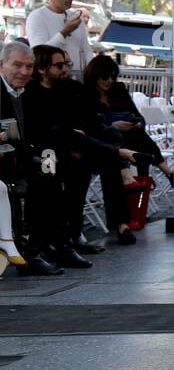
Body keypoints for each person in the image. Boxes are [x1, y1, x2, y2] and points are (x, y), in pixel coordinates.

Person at [29, 45, 144, 251]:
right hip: (46, 153)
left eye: (67, 64)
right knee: (81, 161)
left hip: (78, 148)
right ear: (41, 68)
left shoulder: (70, 89)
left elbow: (90, 120)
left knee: (105, 144)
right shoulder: (32, 92)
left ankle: (80, 235)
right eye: (59, 65)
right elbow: (45, 130)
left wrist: (81, 134)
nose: (66, 69)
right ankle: (69, 238)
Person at [0, 42, 60, 274]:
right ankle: (29, 252)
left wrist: (49, 157)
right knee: (40, 182)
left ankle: (49, 245)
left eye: (29, 66)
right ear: (2, 64)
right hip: (5, 161)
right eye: (17, 65)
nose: (24, 72)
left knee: (55, 172)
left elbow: (44, 131)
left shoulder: (31, 92)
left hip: (24, 157)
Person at [82, 53, 172, 185]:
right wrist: (113, 125)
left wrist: (137, 123)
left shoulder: (118, 90)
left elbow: (139, 116)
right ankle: (166, 172)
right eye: (105, 76)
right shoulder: (85, 95)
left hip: (131, 139)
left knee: (138, 133)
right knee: (116, 133)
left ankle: (141, 181)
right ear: (94, 75)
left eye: (113, 77)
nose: (110, 80)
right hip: (104, 142)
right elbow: (90, 124)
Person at [25, 0, 92, 75]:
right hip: (51, 79)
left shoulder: (75, 17)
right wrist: (64, 33)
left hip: (77, 78)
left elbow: (86, 50)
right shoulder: (37, 17)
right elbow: (39, 55)